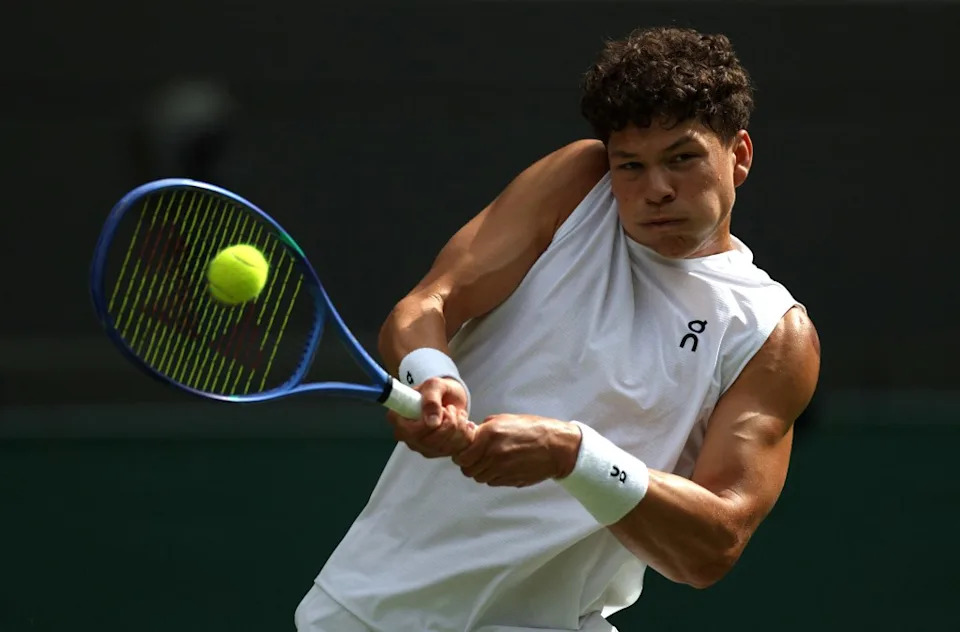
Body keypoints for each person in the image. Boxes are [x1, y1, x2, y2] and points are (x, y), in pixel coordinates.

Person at [295, 25, 821, 632]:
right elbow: (427, 305)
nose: (656, 189)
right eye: (631, 165)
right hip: (371, 613)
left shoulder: (771, 335)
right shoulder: (578, 185)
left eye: (683, 158)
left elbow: (714, 546)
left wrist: (572, 454)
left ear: (740, 156)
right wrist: (432, 375)